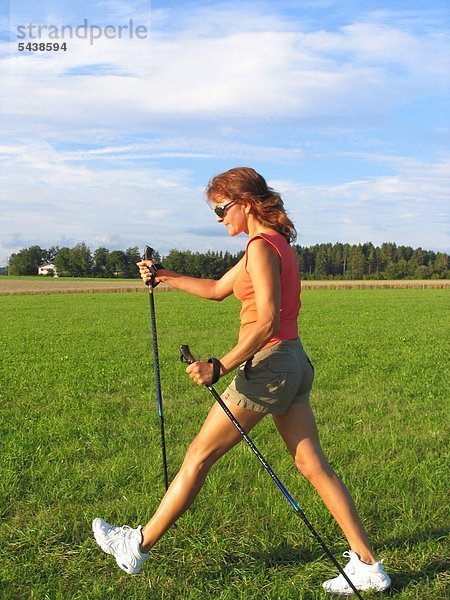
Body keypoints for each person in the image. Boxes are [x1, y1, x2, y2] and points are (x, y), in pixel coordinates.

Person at [92, 167, 391, 595]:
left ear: (244, 202)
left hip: (268, 366)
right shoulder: (271, 245)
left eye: (221, 208)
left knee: (198, 456)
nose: (218, 219)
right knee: (313, 466)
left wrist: (220, 365)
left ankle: (135, 545)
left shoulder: (261, 248)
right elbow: (217, 289)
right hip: (293, 362)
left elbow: (266, 319)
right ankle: (368, 565)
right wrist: (165, 276)